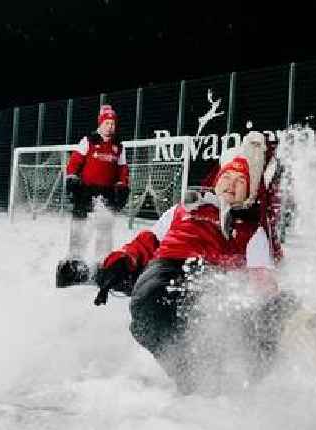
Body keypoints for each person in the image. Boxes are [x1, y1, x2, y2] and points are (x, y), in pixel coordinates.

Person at [94, 131, 293, 393]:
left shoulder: (250, 230)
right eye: (228, 177)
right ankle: (192, 377)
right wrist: (123, 259)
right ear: (217, 179)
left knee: (216, 321)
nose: (231, 184)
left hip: (210, 279)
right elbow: (149, 240)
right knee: (149, 305)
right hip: (166, 268)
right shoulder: (183, 210)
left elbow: (261, 282)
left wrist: (273, 312)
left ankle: (215, 381)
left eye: (240, 180)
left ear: (250, 190)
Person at [56, 104, 130, 288]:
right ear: (101, 123)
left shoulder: (118, 146)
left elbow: (123, 170)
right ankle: (74, 264)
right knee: (79, 227)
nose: (110, 126)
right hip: (86, 191)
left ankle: (101, 264)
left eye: (113, 123)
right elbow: (74, 163)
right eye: (107, 122)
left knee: (104, 229)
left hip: (106, 193)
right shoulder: (88, 141)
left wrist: (122, 185)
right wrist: (72, 178)